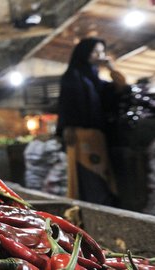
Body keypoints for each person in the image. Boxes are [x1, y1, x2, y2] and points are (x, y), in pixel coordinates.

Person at [56, 37, 128, 206]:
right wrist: (67, 127)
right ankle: (91, 208)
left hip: (97, 136)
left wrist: (111, 67)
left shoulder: (95, 80)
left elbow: (121, 88)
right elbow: (67, 103)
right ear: (84, 52)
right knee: (88, 175)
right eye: (95, 51)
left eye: (101, 52)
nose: (99, 55)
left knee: (101, 173)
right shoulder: (72, 76)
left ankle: (101, 206)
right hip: (80, 135)